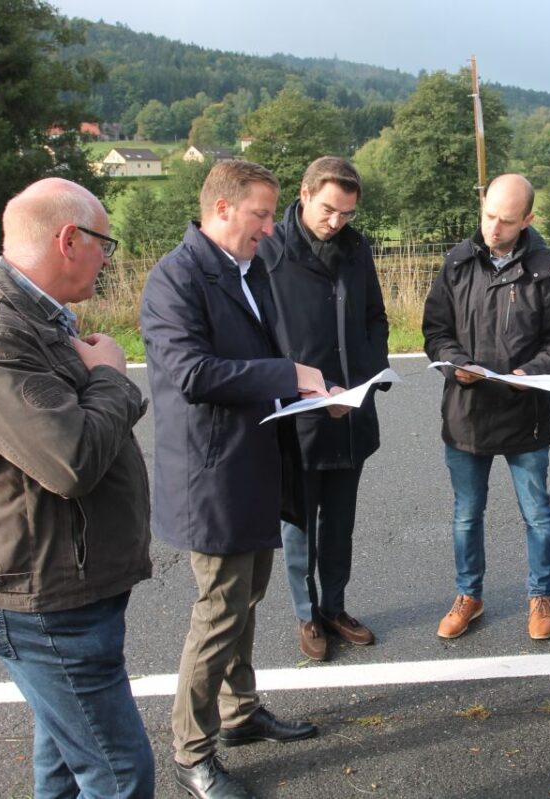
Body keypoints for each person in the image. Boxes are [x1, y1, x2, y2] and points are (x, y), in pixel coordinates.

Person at [0, 178, 154, 798]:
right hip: (48, 604)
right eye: (104, 244)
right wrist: (111, 377)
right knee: (118, 775)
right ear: (69, 239)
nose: (108, 258)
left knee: (64, 760)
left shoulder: (35, 319)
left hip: (66, 588)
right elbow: (70, 460)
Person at [141, 160, 328, 799]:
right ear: (222, 208)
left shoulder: (249, 271)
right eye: (261, 215)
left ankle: (240, 713)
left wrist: (310, 390)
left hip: (253, 465)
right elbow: (192, 374)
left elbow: (259, 358)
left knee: (245, 600)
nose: (271, 229)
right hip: (212, 476)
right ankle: (191, 752)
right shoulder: (176, 278)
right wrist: (287, 377)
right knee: (219, 610)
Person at [422, 173, 550, 641]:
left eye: (507, 221)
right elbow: (435, 332)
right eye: (490, 216)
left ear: (527, 219)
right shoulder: (456, 262)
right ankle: (469, 595)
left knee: (537, 514)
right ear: (482, 205)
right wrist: (454, 365)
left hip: (524, 411)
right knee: (467, 514)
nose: (494, 228)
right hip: (465, 409)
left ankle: (540, 595)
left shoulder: (547, 270)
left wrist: (529, 374)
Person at [257, 156, 390, 662]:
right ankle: (306, 615)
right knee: (299, 527)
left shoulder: (357, 250)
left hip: (350, 411)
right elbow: (259, 333)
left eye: (347, 214)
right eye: (329, 210)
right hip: (297, 413)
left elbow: (375, 319)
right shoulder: (269, 248)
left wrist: (368, 379)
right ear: (305, 193)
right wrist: (298, 387)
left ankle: (334, 607)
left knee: (340, 523)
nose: (336, 223)